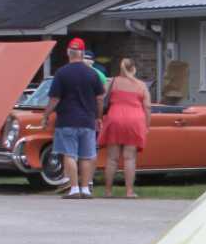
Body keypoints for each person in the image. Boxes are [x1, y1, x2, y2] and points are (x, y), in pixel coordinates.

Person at [47, 38, 103, 198]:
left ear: (68, 52)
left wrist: (46, 115)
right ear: (83, 53)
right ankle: (85, 189)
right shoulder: (92, 74)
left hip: (67, 120)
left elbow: (54, 99)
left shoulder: (61, 73)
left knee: (69, 154)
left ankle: (74, 189)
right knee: (86, 155)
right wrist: (98, 117)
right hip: (87, 120)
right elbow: (100, 98)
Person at [99, 58, 150, 198]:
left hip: (114, 119)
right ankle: (129, 191)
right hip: (134, 121)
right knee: (129, 158)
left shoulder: (111, 82)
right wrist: (147, 124)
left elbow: (101, 100)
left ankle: (108, 191)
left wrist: (99, 117)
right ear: (134, 69)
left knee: (111, 159)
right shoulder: (141, 85)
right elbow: (147, 106)